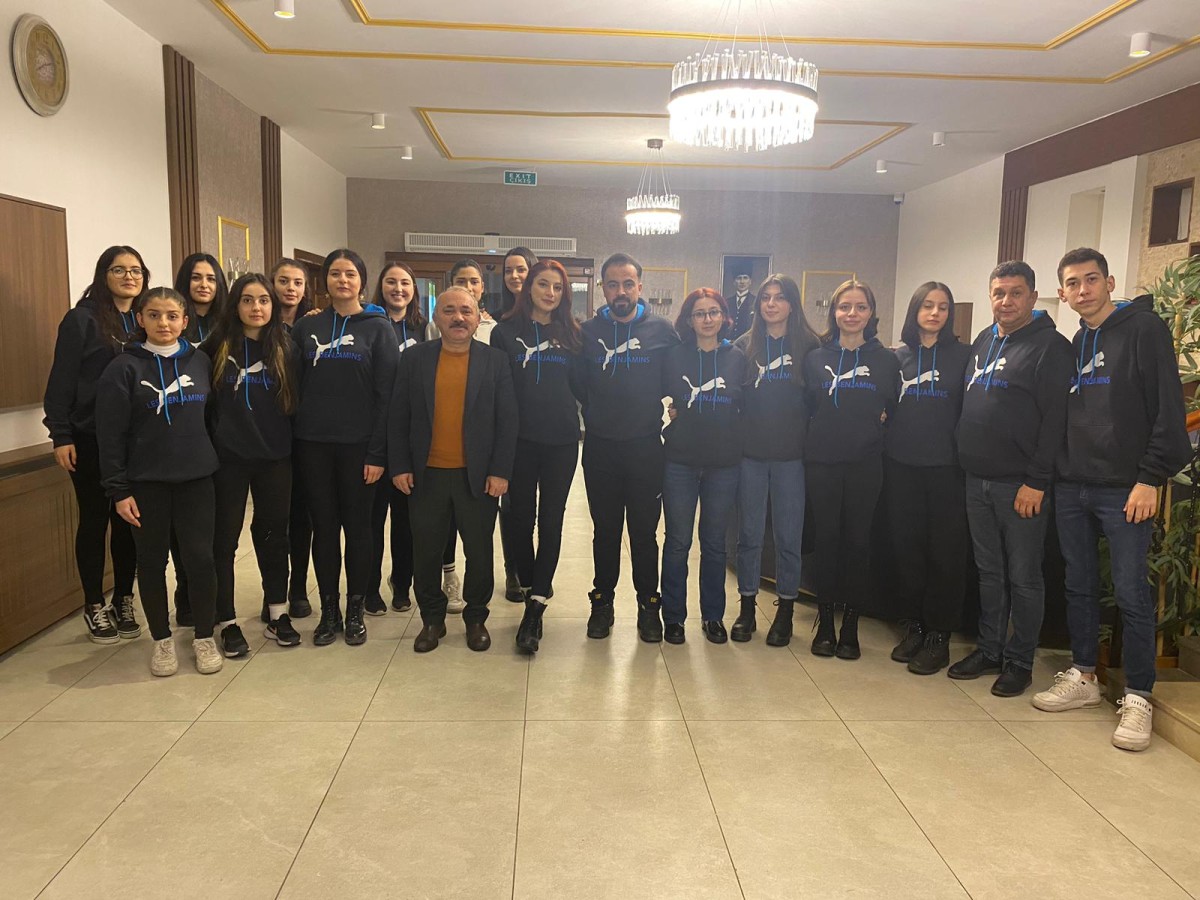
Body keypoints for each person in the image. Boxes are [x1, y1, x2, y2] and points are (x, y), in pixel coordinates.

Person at [1032, 248, 1190, 751]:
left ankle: (1139, 695)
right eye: (1073, 283)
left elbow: (1168, 408)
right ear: (1062, 294)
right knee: (1078, 585)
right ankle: (1084, 674)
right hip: (1073, 485)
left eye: (1091, 279)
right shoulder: (1078, 340)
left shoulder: (1144, 330)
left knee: (1130, 592)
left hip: (1125, 489)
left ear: (1109, 282)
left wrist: (1150, 478)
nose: (1083, 290)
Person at [950, 261, 1073, 697]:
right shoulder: (984, 340)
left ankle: (1020, 661)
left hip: (1020, 485)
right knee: (989, 572)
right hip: (976, 480)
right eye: (999, 293)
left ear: (1033, 297)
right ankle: (989, 650)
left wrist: (1036, 481)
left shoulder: (1051, 348)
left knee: (1023, 576)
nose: (1006, 301)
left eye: (1016, 293)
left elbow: (1055, 422)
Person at [95, 286, 222, 676]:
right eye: (154, 315)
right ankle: (162, 640)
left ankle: (203, 637)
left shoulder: (200, 362)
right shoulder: (123, 368)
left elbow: (212, 419)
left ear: (185, 321)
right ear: (141, 319)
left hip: (196, 479)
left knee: (200, 559)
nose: (163, 323)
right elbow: (110, 435)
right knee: (151, 562)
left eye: (171, 316)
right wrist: (119, 490)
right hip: (146, 483)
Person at [389, 286, 518, 653]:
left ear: (478, 318)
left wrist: (500, 471)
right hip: (426, 474)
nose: (458, 317)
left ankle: (476, 618)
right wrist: (399, 465)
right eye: (449, 310)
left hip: (477, 477)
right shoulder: (415, 359)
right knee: (426, 552)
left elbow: (508, 420)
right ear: (436, 317)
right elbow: (398, 415)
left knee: (479, 552)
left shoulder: (495, 361)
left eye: (466, 311)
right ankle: (432, 619)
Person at [291, 249, 398, 646]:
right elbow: (294, 385)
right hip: (313, 445)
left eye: (350, 274)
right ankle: (329, 610)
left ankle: (355, 609)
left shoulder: (378, 328)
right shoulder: (307, 327)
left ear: (361, 281)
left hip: (360, 448)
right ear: (325, 281)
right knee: (323, 529)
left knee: (358, 528)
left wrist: (378, 453)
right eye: (335, 273)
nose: (342, 280)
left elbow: (388, 396)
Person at [44, 246, 145, 643]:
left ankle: (123, 598)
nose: (128, 276)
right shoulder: (81, 320)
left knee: (129, 522)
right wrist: (61, 434)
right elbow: (61, 381)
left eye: (135, 270)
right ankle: (93, 603)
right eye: (119, 270)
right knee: (94, 520)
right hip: (89, 438)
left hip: (134, 439)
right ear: (104, 275)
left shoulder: (144, 320)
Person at [579, 252, 680, 641]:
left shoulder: (662, 331)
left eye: (627, 284)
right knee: (605, 531)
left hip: (645, 449)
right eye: (612, 284)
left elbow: (676, 379)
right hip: (600, 449)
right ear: (603, 288)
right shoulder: (587, 333)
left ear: (640, 286)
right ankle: (602, 603)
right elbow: (577, 383)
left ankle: (648, 606)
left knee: (643, 533)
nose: (620, 292)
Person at [202, 273, 302, 656]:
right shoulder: (216, 346)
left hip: (274, 457)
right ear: (235, 305)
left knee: (275, 536)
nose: (256, 307)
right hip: (227, 459)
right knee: (224, 540)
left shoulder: (286, 347)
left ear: (273, 306)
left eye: (263, 300)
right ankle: (226, 621)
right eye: (247, 300)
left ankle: (278, 613)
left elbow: (297, 403)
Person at [802, 279, 900, 658]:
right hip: (822, 465)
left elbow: (893, 410)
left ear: (871, 313)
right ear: (834, 312)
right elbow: (808, 407)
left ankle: (851, 628)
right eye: (845, 306)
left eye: (860, 307)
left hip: (865, 466)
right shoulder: (815, 358)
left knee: (858, 544)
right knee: (826, 542)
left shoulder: (887, 361)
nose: (852, 313)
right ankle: (826, 623)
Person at [491, 260, 583, 653]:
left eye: (558, 287)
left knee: (551, 521)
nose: (550, 293)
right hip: (519, 442)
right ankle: (530, 585)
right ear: (528, 286)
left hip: (562, 442)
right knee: (518, 521)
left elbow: (583, 386)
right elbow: (498, 391)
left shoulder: (572, 333)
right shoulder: (504, 332)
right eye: (543, 284)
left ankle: (536, 606)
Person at [883, 282, 971, 674]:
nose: (935, 313)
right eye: (927, 305)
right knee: (908, 550)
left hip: (946, 470)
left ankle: (939, 634)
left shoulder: (965, 356)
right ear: (915, 310)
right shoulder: (896, 357)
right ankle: (914, 626)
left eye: (943, 307)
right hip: (901, 466)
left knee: (945, 555)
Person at [733, 275, 820, 644]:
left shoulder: (810, 347)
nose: (771, 304)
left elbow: (818, 401)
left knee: (788, 538)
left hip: (791, 460)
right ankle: (747, 608)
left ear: (792, 303)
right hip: (751, 457)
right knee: (749, 537)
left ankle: (785, 611)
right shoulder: (744, 346)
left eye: (779, 297)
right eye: (765, 297)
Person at [659, 289, 746, 644]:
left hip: (723, 465)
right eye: (699, 313)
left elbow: (749, 404)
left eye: (713, 312)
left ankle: (713, 616)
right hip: (679, 461)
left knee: (713, 543)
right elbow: (658, 397)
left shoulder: (737, 358)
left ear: (724, 317)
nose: (707, 319)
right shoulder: (673, 356)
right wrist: (670, 414)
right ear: (689, 319)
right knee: (678, 541)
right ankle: (673, 618)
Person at [170, 253, 230, 627]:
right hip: (181, 434)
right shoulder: (172, 322)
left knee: (213, 527)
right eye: (196, 277)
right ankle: (185, 592)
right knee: (183, 527)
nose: (204, 284)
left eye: (210, 278)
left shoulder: (228, 325)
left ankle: (211, 595)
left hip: (221, 435)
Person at [368, 262, 428, 615]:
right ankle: (369, 588)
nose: (398, 288)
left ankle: (402, 584)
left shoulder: (424, 328)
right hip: (376, 436)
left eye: (405, 282)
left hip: (410, 437)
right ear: (381, 286)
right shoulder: (368, 324)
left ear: (413, 290)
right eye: (391, 282)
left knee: (406, 522)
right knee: (372, 520)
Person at [271, 257, 316, 619]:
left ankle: (298, 588)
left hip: (303, 434)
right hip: (267, 435)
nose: (290, 288)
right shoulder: (258, 325)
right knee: (273, 520)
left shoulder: (312, 326)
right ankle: (273, 591)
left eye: (297, 282)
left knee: (302, 517)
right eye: (283, 281)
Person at [499, 246, 538, 319]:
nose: (514, 276)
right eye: (508, 271)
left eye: (521, 270)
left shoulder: (544, 316)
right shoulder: (496, 318)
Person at [729, 272, 755, 338]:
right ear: (734, 282)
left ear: (750, 281)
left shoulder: (755, 301)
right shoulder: (728, 302)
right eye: (739, 278)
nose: (742, 282)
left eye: (745, 278)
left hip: (748, 341)